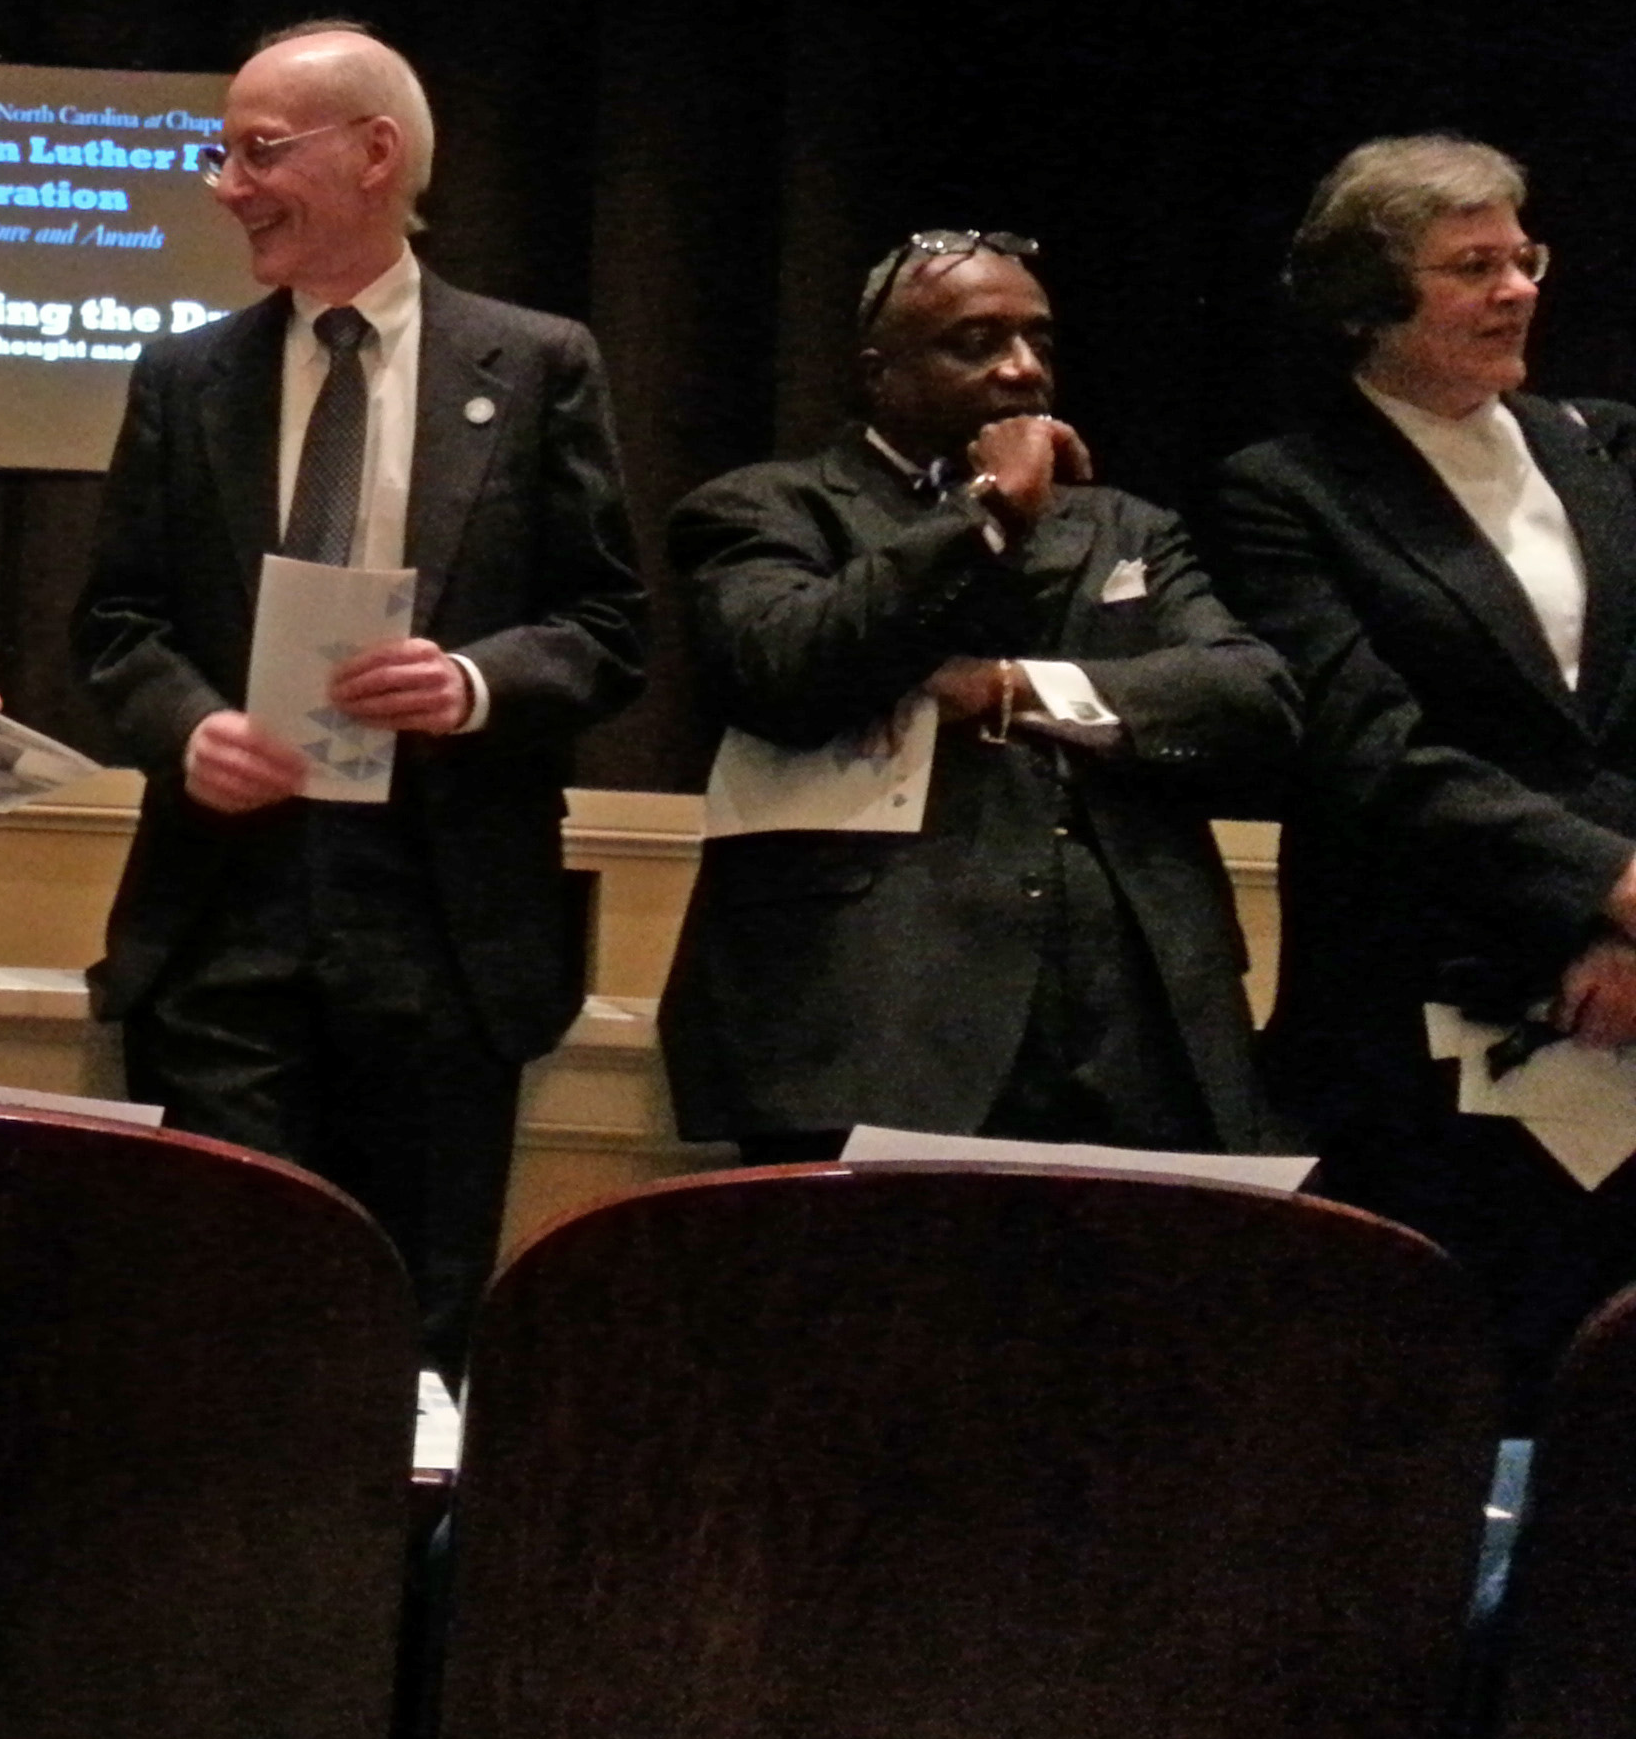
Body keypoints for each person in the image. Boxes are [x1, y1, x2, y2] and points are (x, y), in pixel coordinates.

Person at [75, 22, 648, 1374]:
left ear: (375, 154)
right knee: (223, 1323)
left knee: (412, 1347)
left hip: (444, 937)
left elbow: (610, 632)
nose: (227, 183)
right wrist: (184, 726)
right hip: (225, 927)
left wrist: (466, 683)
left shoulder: (539, 365)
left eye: (259, 151)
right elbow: (116, 625)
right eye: (222, 153)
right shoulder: (183, 377)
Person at [656, 231, 1296, 1165]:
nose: (1022, 369)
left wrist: (1010, 688)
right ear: (879, 374)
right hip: (874, 1025)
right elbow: (783, 667)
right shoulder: (768, 509)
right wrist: (987, 516)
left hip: (1138, 1031)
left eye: (1039, 340)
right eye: (976, 342)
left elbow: (1253, 696)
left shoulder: (1128, 527)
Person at [1210, 133, 1636, 1405]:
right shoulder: (1284, 494)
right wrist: (1606, 886)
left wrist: (1622, 926)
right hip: (1416, 1016)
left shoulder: (1604, 450)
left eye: (1523, 257)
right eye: (1471, 268)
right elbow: (1370, 752)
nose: (1517, 290)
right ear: (1367, 302)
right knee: (1439, 1396)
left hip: (1629, 1002)